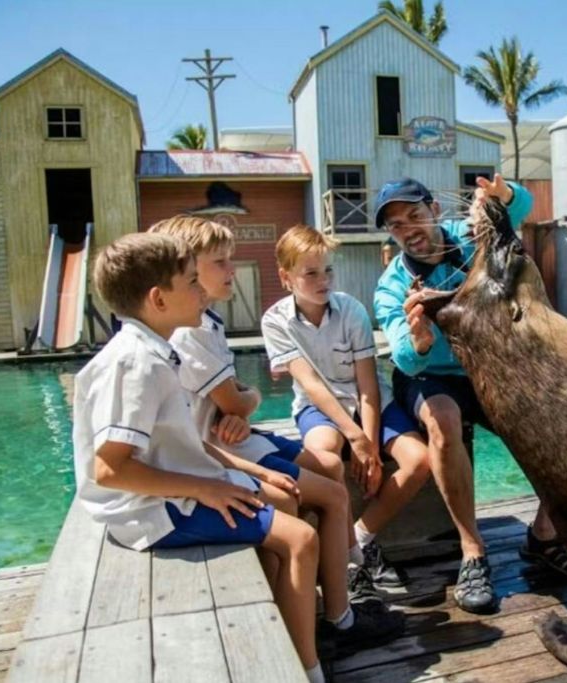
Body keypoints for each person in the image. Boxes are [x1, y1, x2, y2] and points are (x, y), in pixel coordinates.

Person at [71, 232, 325, 682]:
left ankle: (281, 633)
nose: (202, 290)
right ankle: (307, 668)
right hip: (153, 511)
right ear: (158, 299)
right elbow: (110, 468)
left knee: (282, 498)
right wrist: (207, 487)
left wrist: (242, 468)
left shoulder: (155, 352)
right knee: (301, 540)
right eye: (191, 282)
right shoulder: (136, 364)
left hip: (175, 488)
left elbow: (181, 441)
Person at [148, 215, 402, 648]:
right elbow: (238, 401)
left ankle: (338, 582)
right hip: (222, 451)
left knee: (328, 468)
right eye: (221, 263)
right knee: (326, 490)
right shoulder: (192, 334)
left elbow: (238, 400)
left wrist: (242, 402)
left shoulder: (207, 323)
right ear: (186, 272)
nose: (233, 270)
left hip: (234, 439)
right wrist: (246, 401)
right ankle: (338, 614)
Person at [373, 175, 567, 614]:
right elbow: (408, 361)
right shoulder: (391, 285)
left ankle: (544, 534)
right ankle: (473, 552)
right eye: (396, 225)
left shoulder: (472, 242)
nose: (409, 229)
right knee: (443, 420)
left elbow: (518, 209)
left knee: (558, 417)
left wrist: (504, 195)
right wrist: (419, 337)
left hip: (483, 367)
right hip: (430, 376)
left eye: (415, 215)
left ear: (434, 211)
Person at [262, 225, 432, 589]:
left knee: (420, 460)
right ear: (285, 277)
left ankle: (360, 539)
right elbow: (311, 385)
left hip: (369, 403)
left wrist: (368, 446)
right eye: (310, 273)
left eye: (328, 270)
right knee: (323, 458)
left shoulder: (351, 310)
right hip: (318, 407)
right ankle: (349, 566)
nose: (323, 280)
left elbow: (368, 386)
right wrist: (354, 437)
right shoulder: (274, 321)